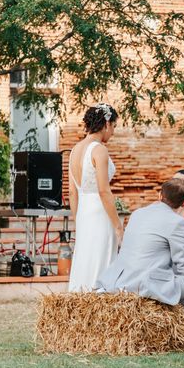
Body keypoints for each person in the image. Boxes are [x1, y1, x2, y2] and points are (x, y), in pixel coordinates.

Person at [97, 178, 184, 351]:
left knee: (181, 285)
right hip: (148, 283)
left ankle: (181, 330)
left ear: (160, 195)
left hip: (122, 279)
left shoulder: (138, 213)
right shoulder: (178, 223)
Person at [68, 103, 122, 292]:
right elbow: (104, 191)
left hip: (83, 212)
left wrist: (78, 221)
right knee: (102, 260)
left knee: (86, 259)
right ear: (106, 123)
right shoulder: (99, 149)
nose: (113, 133)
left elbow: (72, 193)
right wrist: (118, 226)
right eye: (114, 126)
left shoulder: (75, 150)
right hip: (100, 213)